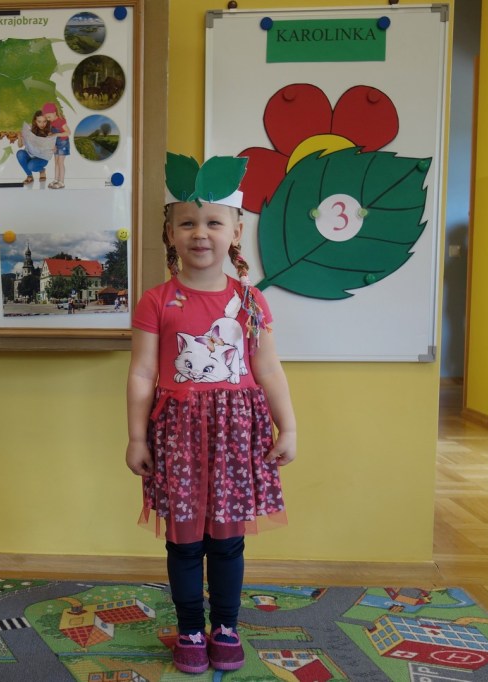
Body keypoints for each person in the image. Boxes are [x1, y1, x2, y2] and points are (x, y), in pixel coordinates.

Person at [125, 153, 296, 674]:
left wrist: (288, 426)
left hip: (236, 437)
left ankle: (225, 627)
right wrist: (137, 437)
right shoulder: (156, 301)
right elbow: (142, 373)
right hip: (177, 435)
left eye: (214, 223)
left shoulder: (250, 301)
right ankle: (190, 631)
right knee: (183, 542)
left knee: (226, 541)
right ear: (170, 233)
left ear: (236, 232)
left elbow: (268, 369)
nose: (201, 233)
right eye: (188, 223)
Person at [16, 111, 54, 184]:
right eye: (39, 121)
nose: (42, 124)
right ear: (35, 121)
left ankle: (42, 170)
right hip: (29, 154)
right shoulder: (29, 129)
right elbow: (20, 145)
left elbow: (52, 148)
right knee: (20, 153)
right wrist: (19, 137)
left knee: (31, 166)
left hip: (41, 158)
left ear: (47, 121)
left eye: (44, 121)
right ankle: (29, 176)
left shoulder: (49, 132)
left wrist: (52, 146)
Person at [42, 102, 70, 189]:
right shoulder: (52, 122)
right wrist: (50, 135)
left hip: (63, 143)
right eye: (46, 117)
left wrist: (56, 134)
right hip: (56, 144)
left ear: (54, 113)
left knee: (60, 162)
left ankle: (61, 182)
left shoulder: (61, 121)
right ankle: (56, 180)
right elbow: (53, 133)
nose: (48, 119)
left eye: (49, 117)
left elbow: (68, 132)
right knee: (56, 162)